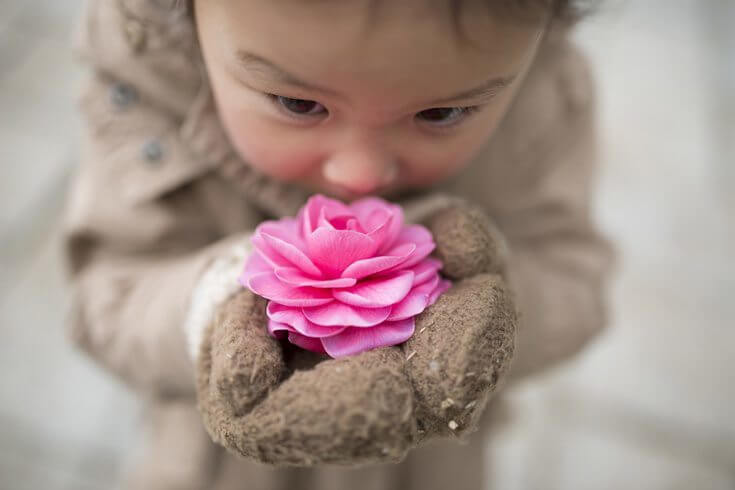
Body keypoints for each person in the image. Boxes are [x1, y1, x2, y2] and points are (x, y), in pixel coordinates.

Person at [63, 0, 614, 488]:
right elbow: (105, 299)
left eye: (441, 113)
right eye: (298, 104)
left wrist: (486, 310)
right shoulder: (148, 91)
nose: (359, 174)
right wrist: (208, 306)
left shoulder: (542, 99)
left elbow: (575, 282)